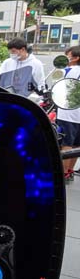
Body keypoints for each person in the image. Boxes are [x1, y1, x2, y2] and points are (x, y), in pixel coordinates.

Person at [58, 45, 80, 183]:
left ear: (76, 57)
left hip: (68, 113)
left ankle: (63, 173)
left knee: (66, 143)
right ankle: (70, 171)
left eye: (68, 55)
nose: (67, 58)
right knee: (77, 145)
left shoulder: (67, 71)